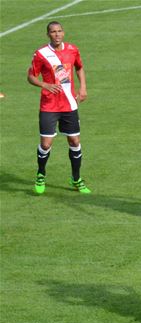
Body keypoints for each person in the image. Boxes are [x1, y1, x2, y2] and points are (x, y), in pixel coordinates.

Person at [27, 21, 90, 194]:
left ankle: (76, 178)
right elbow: (31, 76)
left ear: (63, 32)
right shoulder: (41, 54)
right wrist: (44, 84)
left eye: (59, 31)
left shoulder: (72, 49)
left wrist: (83, 87)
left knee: (75, 141)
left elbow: (80, 68)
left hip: (69, 104)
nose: (57, 34)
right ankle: (41, 174)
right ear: (48, 34)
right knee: (46, 144)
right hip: (49, 105)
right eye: (53, 32)